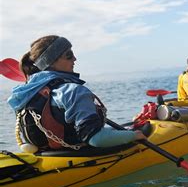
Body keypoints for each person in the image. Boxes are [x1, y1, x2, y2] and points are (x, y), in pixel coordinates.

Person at [8, 35, 146, 152]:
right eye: (69, 55)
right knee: (138, 131)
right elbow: (97, 139)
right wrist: (134, 136)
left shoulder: (24, 92)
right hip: (78, 155)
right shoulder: (73, 91)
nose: (75, 59)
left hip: (46, 154)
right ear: (51, 61)